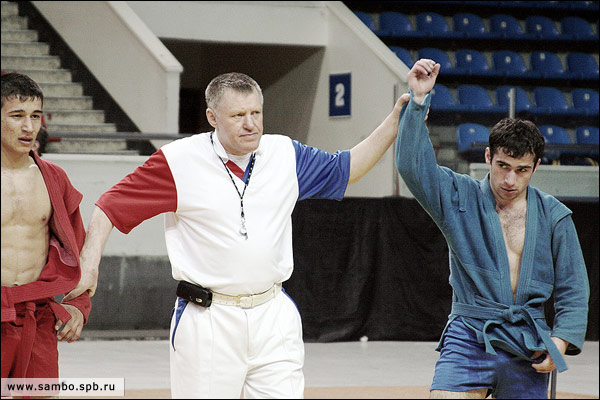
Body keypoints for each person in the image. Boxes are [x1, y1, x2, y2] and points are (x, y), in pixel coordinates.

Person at [63, 72, 410, 398]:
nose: (250, 124)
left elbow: (347, 169)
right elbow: (110, 205)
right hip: (208, 321)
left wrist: (396, 119)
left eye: (256, 112)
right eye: (238, 115)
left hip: (274, 315)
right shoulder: (178, 161)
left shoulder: (285, 153)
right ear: (213, 118)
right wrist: (90, 264)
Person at [395, 59, 589, 399]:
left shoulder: (555, 216)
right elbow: (413, 167)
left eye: (521, 169)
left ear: (536, 167)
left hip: (527, 340)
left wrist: (560, 339)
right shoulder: (459, 197)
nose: (510, 180)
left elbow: (574, 287)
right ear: (487, 156)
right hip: (471, 331)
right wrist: (419, 102)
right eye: (502, 166)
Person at [1, 73, 92, 382]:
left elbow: (77, 248)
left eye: (35, 116)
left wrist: (79, 305)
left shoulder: (54, 178)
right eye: (17, 116)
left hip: (36, 315)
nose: (29, 127)